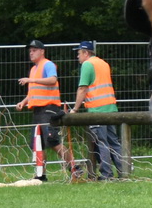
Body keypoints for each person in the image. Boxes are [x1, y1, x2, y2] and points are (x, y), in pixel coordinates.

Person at [73, 40, 124, 180]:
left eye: (78, 53)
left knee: (102, 142)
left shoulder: (87, 64)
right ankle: (123, 171)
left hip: (97, 110)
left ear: (86, 53)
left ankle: (106, 174)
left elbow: (83, 88)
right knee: (113, 142)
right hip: (110, 108)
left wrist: (75, 109)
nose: (77, 56)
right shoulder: (103, 63)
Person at [16, 39, 65, 182]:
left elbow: (52, 80)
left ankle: (75, 167)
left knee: (53, 141)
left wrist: (30, 80)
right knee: (37, 143)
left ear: (42, 51)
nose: (31, 53)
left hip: (49, 108)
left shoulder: (47, 64)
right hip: (37, 110)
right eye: (30, 51)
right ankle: (40, 175)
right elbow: (34, 91)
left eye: (34, 50)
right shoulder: (33, 69)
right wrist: (23, 102)